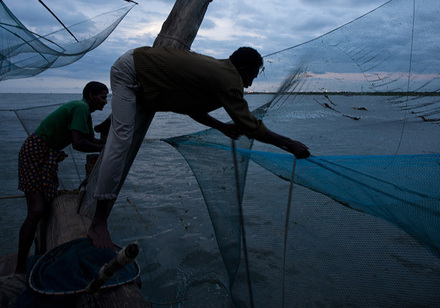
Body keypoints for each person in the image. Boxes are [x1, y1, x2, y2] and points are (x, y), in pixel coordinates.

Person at [87, 46, 310, 249]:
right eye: (251, 77)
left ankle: (111, 121)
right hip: (130, 72)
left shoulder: (218, 72)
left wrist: (221, 126)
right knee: (121, 141)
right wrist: (289, 144)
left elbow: (190, 108)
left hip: (146, 78)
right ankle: (98, 223)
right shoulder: (228, 79)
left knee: (127, 122)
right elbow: (250, 125)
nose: (249, 85)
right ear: (242, 68)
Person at [15, 81, 110, 273]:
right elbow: (78, 143)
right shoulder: (81, 108)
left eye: (106, 97)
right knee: (36, 210)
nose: (105, 101)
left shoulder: (85, 112)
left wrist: (109, 145)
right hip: (34, 153)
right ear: (91, 95)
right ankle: (19, 268)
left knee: (44, 207)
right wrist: (107, 148)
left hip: (43, 154)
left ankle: (39, 254)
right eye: (102, 96)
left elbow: (90, 139)